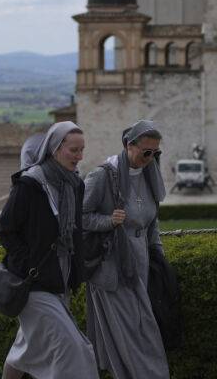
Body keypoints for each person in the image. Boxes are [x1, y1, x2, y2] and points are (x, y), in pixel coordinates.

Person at [0, 122, 99, 379]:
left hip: (59, 277)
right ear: (55, 149)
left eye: (82, 150)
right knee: (74, 348)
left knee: (27, 346)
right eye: (73, 150)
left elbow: (75, 232)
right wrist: (28, 265)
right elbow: (6, 230)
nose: (79, 156)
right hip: (33, 282)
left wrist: (77, 273)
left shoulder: (75, 184)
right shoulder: (30, 184)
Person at [82, 120, 171, 379]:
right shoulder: (102, 176)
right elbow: (80, 217)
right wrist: (108, 221)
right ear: (129, 146)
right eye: (146, 152)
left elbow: (152, 222)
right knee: (136, 334)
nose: (150, 158)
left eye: (155, 153)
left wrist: (158, 256)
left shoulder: (149, 174)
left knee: (139, 328)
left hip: (140, 266)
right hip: (113, 268)